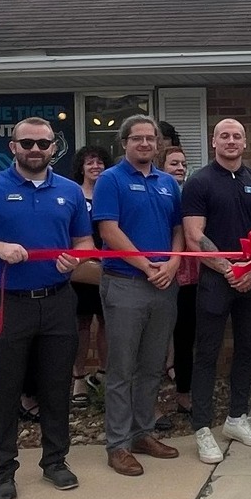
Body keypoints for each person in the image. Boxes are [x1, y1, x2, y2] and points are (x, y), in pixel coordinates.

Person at [0, 117, 92, 499]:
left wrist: (75, 259)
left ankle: (55, 461)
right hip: (9, 301)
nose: (35, 150)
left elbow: (84, 239)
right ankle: (3, 470)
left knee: (55, 385)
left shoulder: (69, 191)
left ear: (53, 148)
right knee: (4, 387)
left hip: (59, 299)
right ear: (13, 147)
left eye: (42, 144)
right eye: (26, 143)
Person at [91, 115, 186, 476]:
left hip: (165, 284)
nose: (145, 144)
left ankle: (142, 433)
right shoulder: (111, 180)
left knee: (152, 366)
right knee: (122, 369)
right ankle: (118, 444)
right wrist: (148, 266)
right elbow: (108, 230)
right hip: (127, 283)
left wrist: (174, 263)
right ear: (124, 143)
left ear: (158, 144)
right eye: (138, 139)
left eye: (151, 138)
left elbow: (178, 228)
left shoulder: (166, 183)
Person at [181, 119, 251, 464]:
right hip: (215, 281)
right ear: (213, 142)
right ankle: (203, 428)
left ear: (244, 141)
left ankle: (237, 418)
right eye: (225, 136)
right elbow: (194, 235)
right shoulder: (199, 182)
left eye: (237, 136)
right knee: (206, 354)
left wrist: (247, 271)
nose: (231, 141)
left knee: (247, 351)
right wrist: (229, 270)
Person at [69, 145, 113, 408]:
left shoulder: (111, 193)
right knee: (81, 325)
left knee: (107, 323)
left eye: (99, 162)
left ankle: (106, 374)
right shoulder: (74, 195)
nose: (95, 166)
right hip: (82, 269)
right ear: (81, 167)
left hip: (110, 267)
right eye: (90, 162)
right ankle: (79, 377)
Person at [159, 146, 199, 418]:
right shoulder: (157, 194)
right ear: (161, 166)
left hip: (190, 278)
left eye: (183, 163)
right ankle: (153, 403)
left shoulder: (191, 196)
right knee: (156, 341)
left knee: (185, 338)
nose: (180, 168)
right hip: (158, 274)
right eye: (173, 163)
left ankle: (184, 394)